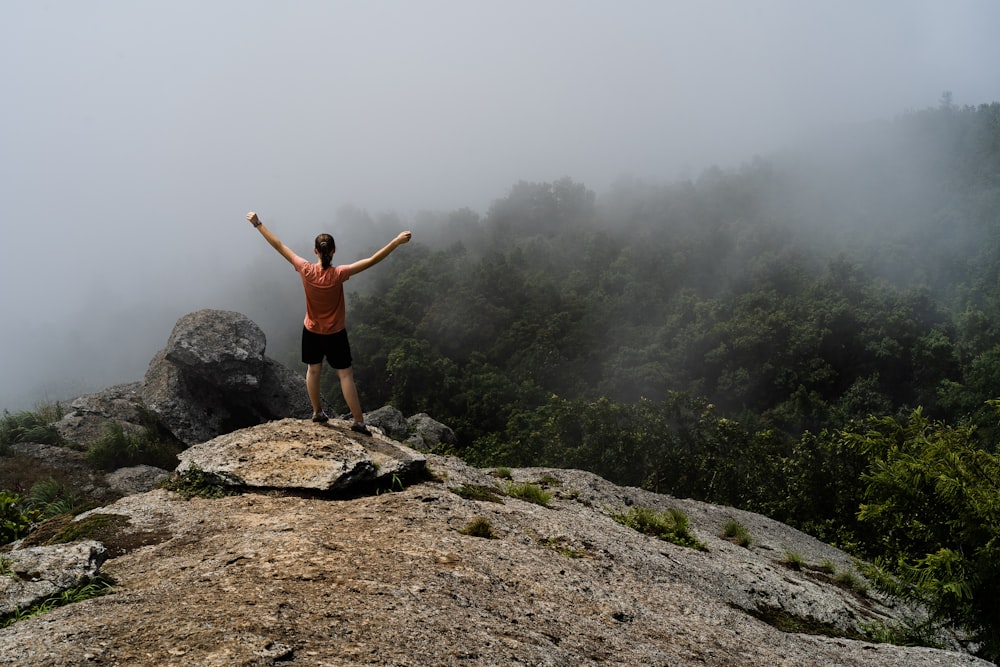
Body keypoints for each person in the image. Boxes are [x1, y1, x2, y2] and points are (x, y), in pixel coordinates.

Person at [246, 211, 411, 435]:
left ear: (315, 251)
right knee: (345, 375)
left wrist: (258, 224)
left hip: (312, 330)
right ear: (333, 251)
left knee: (313, 371)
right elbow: (372, 260)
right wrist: (396, 242)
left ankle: (318, 412)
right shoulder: (339, 274)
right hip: (336, 333)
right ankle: (359, 421)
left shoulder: (305, 270)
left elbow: (278, 245)